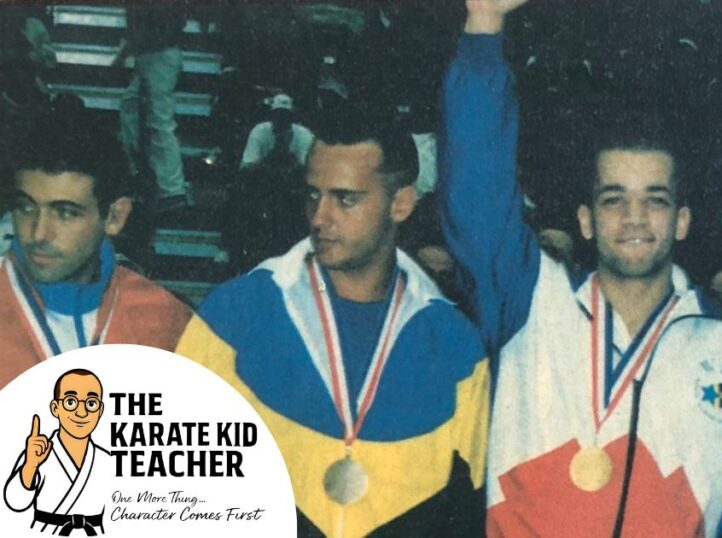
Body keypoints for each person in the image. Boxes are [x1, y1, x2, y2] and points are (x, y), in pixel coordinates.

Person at [440, 1, 722, 535]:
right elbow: (476, 194)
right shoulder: (531, 304)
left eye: (654, 200)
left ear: (681, 221)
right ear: (585, 220)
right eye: (614, 199)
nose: (634, 217)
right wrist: (484, 28)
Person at [175, 107, 490, 537]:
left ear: (401, 203)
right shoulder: (235, 315)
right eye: (312, 195)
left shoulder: (454, 346)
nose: (320, 217)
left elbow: (468, 517)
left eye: (346, 199)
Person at [0, 123, 192, 388]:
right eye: (26, 208)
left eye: (65, 212)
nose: (38, 234)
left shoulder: (166, 320)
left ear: (115, 217)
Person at [4, 369, 113, 535]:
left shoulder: (106, 460)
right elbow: (15, 503)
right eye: (71, 402)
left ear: (100, 410)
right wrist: (30, 466)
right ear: (55, 408)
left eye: (91, 403)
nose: (82, 412)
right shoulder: (38, 454)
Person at [115, 3, 191, 213]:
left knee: (160, 121)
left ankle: (173, 189)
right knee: (129, 108)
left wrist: (136, 47)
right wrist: (125, 53)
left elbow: (170, 25)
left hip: (161, 56)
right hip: (149, 57)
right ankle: (138, 172)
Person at [240, 93, 315, 169]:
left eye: (286, 115)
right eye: (277, 114)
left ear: (292, 118)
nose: (281, 119)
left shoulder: (304, 134)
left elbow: (310, 169)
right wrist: (272, 156)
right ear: (271, 116)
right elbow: (247, 167)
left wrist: (288, 153)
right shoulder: (259, 131)